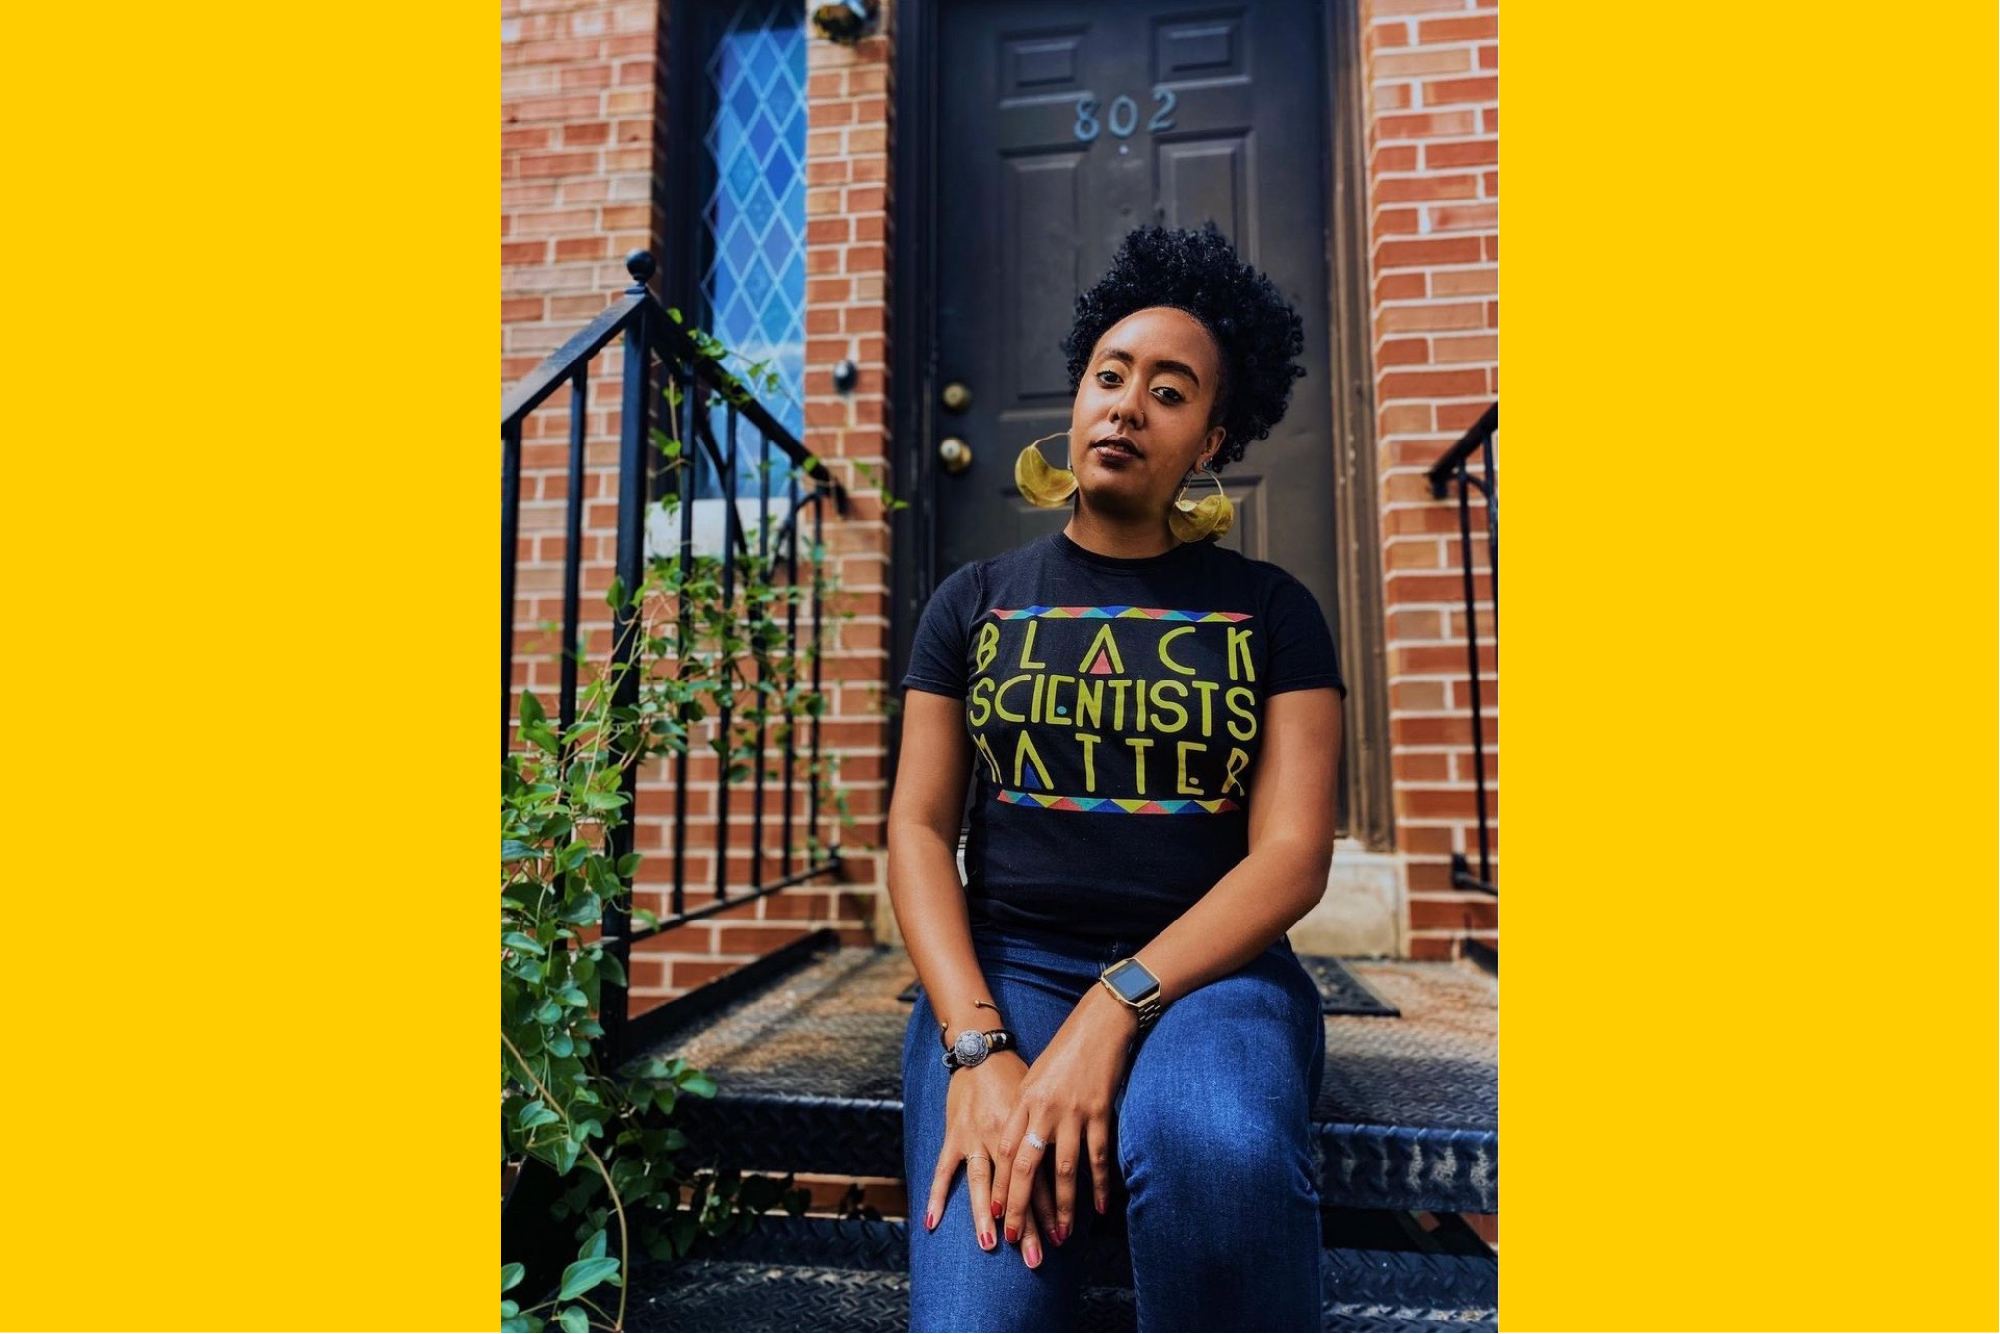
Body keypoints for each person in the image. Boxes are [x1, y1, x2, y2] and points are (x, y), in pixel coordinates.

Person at [887, 222, 1347, 1333]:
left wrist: (1117, 999)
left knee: (1215, 1151)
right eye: (1109, 375)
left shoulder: (1270, 608)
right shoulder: (973, 600)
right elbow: (914, 826)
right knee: (982, 1298)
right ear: (1077, 398)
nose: (1127, 404)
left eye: (1170, 390)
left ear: (1211, 441)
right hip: (1005, 973)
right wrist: (976, 1044)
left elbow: (1290, 854)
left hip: (1210, 979)